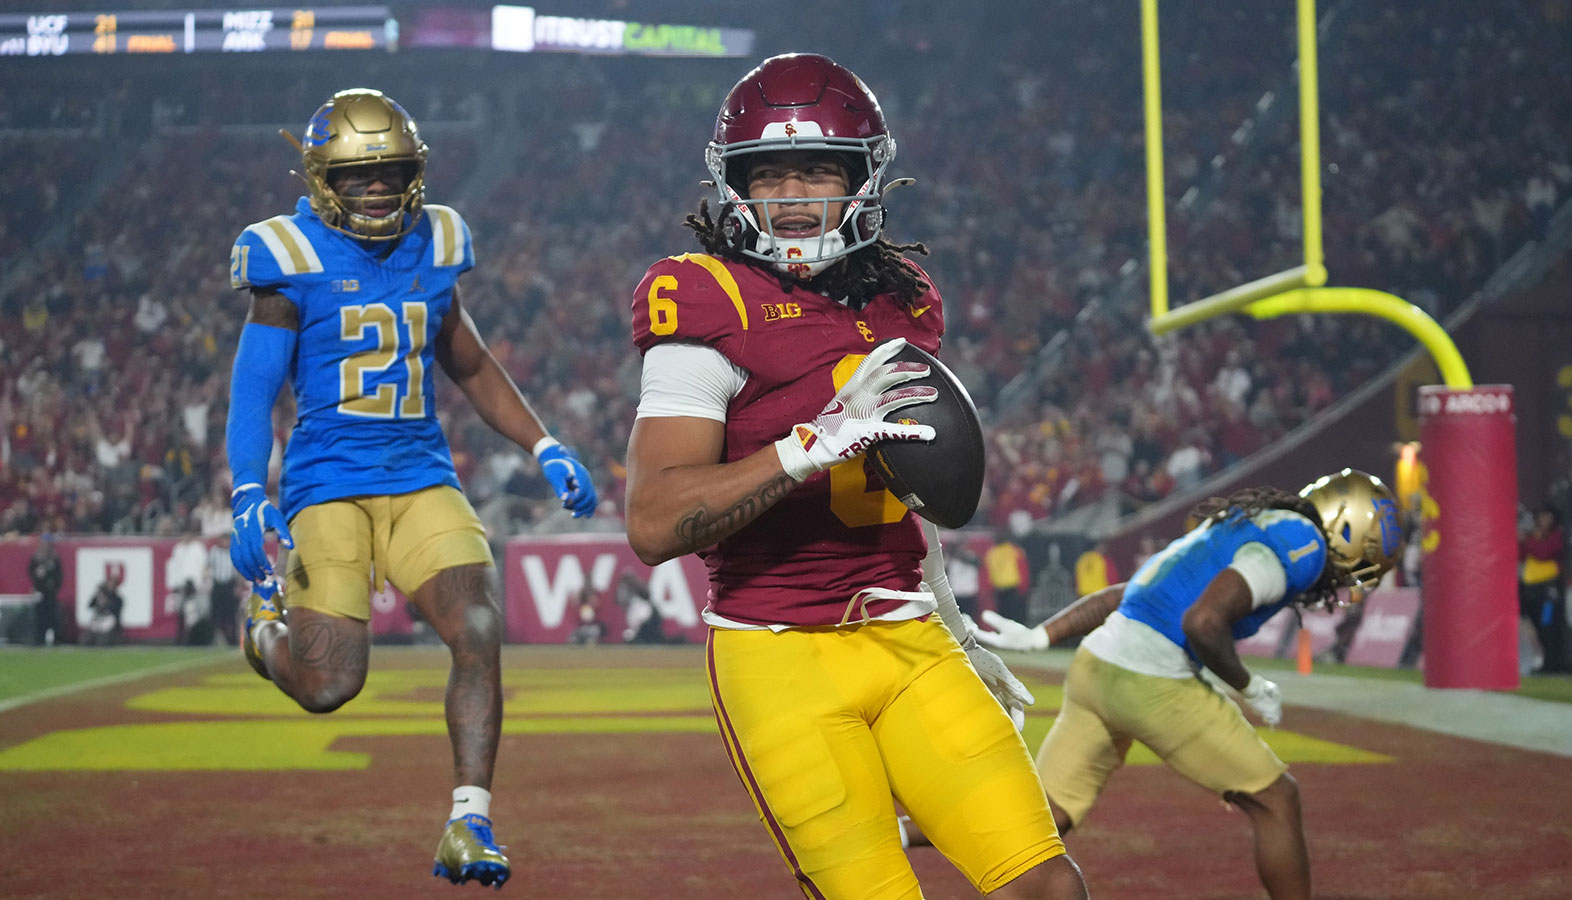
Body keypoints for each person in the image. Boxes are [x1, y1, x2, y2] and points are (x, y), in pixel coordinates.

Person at [623, 53, 1088, 900]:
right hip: (781, 657)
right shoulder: (705, 297)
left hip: (909, 637)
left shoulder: (902, 297)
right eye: (771, 174)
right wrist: (809, 444)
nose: (795, 196)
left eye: (818, 171)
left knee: (1049, 887)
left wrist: (951, 620)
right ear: (735, 187)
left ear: (865, 179)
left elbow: (910, 486)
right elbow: (655, 521)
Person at [225, 88, 598, 889]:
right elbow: (254, 389)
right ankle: (263, 634)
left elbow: (466, 360)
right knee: (331, 684)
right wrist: (248, 490)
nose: (380, 190)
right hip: (328, 484)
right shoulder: (287, 255)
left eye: (392, 173)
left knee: (477, 624)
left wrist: (545, 441)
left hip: (421, 472)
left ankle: (469, 820)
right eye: (360, 177)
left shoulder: (435, 242)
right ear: (325, 179)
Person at [964, 469, 1402, 900]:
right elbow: (1203, 622)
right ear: (1352, 533)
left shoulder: (1242, 522)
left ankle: (905, 836)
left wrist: (1043, 634)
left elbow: (1135, 591)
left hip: (1095, 663)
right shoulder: (1302, 543)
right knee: (1276, 799)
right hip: (1148, 678)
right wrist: (1248, 687)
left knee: (1043, 815)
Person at [1518, 504, 1567, 674]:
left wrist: (1528, 540)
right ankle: (1545, 662)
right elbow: (1521, 555)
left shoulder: (1557, 535)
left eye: (1546, 516)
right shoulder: (1534, 536)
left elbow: (1543, 552)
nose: (1542, 520)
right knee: (1538, 627)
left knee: (1548, 625)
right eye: (1540, 516)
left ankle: (1553, 663)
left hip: (1549, 590)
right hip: (1532, 590)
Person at [28, 534, 63, 646]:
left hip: (50, 593)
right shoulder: (36, 558)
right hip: (40, 592)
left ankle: (55, 639)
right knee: (39, 616)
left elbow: (59, 577)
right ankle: (39, 639)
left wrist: (53, 584)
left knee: (53, 617)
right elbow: (30, 573)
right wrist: (37, 576)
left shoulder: (54, 559)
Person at [84, 576, 125, 646]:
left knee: (102, 642)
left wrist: (106, 603)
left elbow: (115, 612)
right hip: (98, 621)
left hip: (109, 623)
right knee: (85, 640)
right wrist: (98, 597)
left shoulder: (117, 599)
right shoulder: (99, 595)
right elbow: (90, 605)